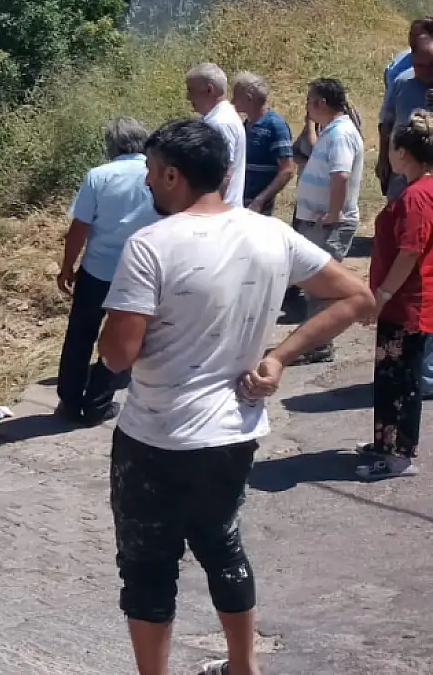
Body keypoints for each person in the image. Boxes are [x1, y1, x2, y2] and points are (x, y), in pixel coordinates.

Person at [98, 118, 371, 675]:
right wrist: (279, 357)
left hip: (157, 434)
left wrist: (109, 323)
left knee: (148, 567)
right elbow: (356, 296)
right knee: (222, 547)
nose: (148, 183)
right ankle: (242, 667)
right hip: (234, 431)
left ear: (173, 175)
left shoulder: (150, 245)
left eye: (151, 173)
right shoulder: (269, 234)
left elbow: (117, 356)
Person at [55, 118, 156, 427]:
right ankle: (98, 403)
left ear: (111, 146)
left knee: (80, 335)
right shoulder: (157, 174)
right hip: (139, 271)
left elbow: (80, 228)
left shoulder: (98, 176)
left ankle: (70, 402)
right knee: (124, 334)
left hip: (97, 269)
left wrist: (67, 266)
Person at [362, 109, 433, 480]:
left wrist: (383, 293)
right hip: (403, 302)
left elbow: (410, 251)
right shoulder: (418, 191)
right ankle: (385, 442)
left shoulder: (417, 198)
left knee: (402, 382)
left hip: (407, 304)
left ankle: (399, 454)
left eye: (391, 148)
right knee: (390, 377)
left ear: (403, 153)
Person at [293, 78, 365, 364]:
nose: (308, 108)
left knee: (320, 286)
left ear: (321, 103)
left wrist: (334, 214)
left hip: (330, 224)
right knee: (314, 285)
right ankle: (316, 343)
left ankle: (318, 346)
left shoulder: (340, 134)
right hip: (320, 221)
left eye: (310, 101)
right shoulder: (332, 131)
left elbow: (340, 175)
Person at [378, 17, 433, 198]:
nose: (425, 71)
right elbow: (387, 123)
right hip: (401, 176)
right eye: (420, 66)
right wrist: (383, 159)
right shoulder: (402, 82)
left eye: (431, 66)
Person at [231, 72, 295, 215]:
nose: (232, 101)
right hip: (238, 203)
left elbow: (287, 169)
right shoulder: (245, 125)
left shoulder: (275, 125)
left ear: (249, 98)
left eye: (236, 96)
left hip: (256, 209)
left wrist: (260, 200)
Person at [186, 63, 247, 208]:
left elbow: (224, 173)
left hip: (219, 215)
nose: (188, 97)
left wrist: (208, 209)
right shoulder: (223, 117)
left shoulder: (219, 123)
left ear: (209, 90)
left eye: (191, 90)